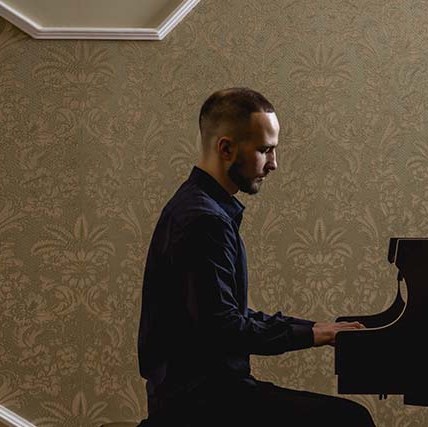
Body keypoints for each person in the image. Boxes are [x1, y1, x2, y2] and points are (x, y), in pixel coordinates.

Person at [137, 88, 373, 426]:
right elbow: (225, 330)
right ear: (226, 149)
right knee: (350, 420)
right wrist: (313, 336)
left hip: (202, 396)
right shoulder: (204, 221)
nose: (274, 163)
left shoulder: (198, 206)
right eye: (265, 150)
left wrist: (314, 327)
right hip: (200, 406)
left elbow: (224, 316)